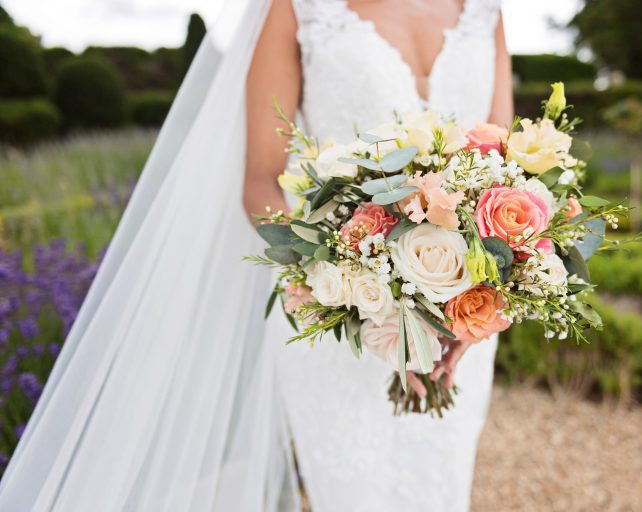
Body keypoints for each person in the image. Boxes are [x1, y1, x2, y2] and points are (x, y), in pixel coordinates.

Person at [0, 1, 510, 510]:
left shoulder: (485, 9)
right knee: (357, 491)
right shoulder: (299, 7)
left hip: (459, 311)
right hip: (340, 313)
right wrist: (350, 285)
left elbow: (502, 170)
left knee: (442, 478)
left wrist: (476, 308)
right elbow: (261, 180)